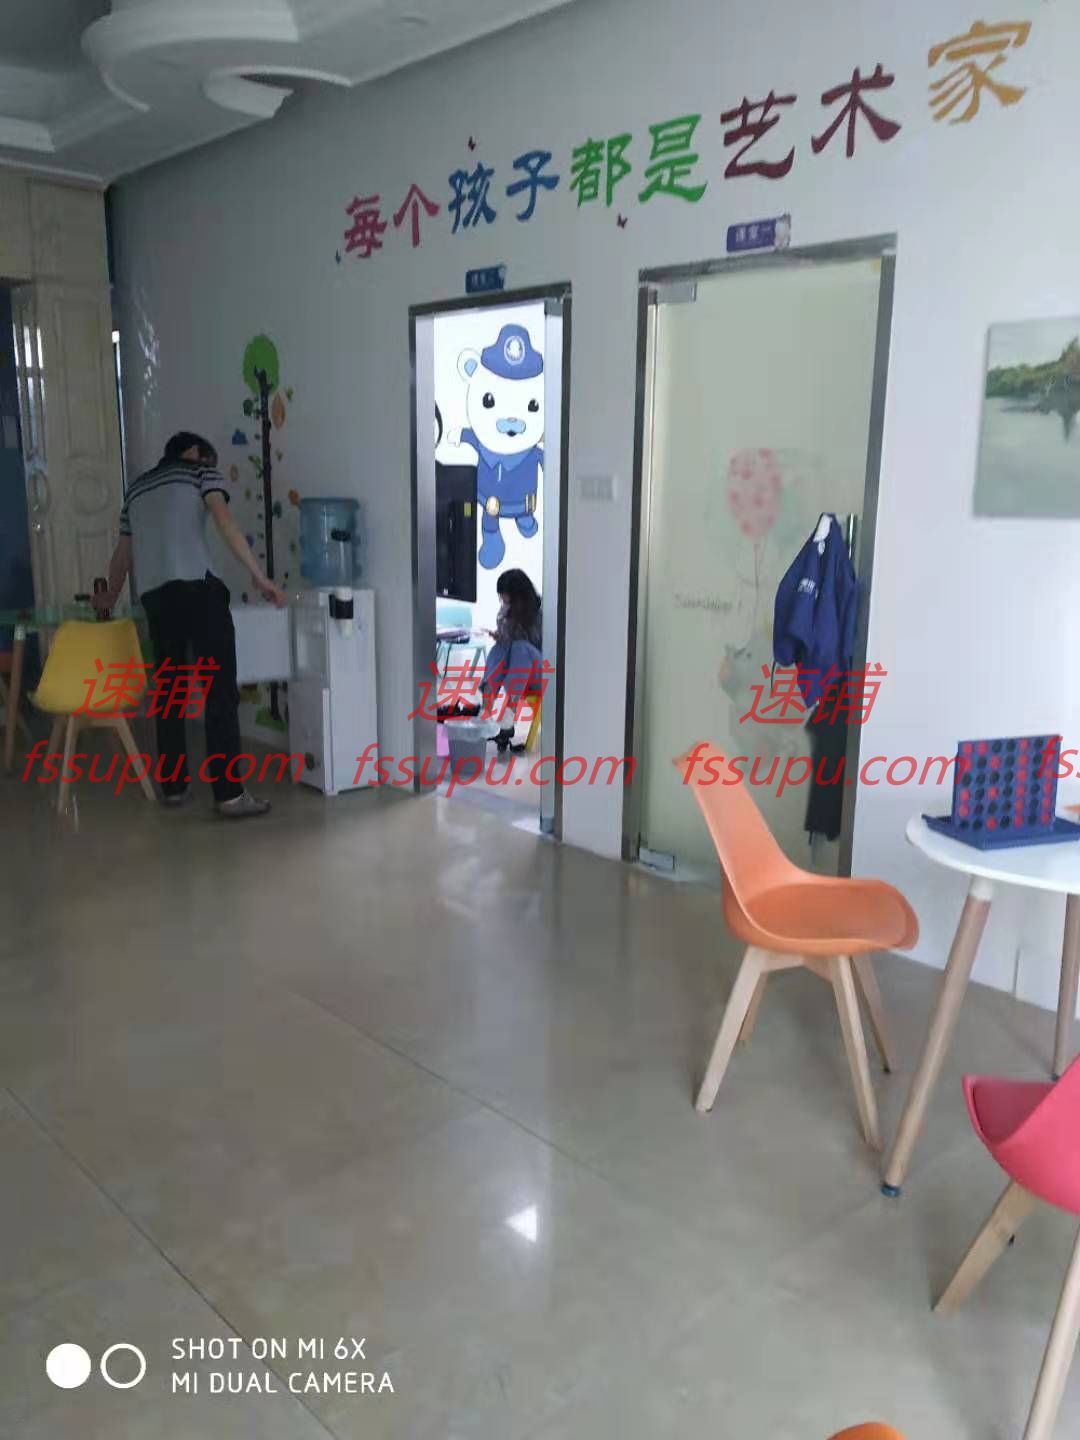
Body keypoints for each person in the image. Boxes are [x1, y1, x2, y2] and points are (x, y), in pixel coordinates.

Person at [95, 431, 285, 818]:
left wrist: (110, 595)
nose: (211, 466)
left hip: (155, 597)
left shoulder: (136, 491)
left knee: (169, 691)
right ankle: (229, 794)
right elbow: (225, 522)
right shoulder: (200, 473)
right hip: (199, 590)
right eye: (208, 459)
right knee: (219, 691)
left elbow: (122, 554)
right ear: (194, 452)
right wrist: (259, 577)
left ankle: (174, 787)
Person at [480, 568, 542, 752]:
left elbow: (545, 650)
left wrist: (516, 640)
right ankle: (485, 712)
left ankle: (509, 716)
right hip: (518, 672)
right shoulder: (507, 611)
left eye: (507, 598)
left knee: (520, 648)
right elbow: (508, 644)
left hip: (541, 672)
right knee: (500, 648)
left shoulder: (541, 613)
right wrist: (501, 635)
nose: (504, 602)